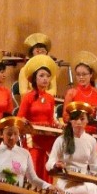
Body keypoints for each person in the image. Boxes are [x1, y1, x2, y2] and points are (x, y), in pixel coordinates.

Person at [46, 102, 97, 194]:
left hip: (84, 180)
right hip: (66, 183)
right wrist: (55, 165)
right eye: (75, 119)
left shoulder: (91, 141)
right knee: (89, 190)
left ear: (87, 120)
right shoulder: (61, 140)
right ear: (70, 121)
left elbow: (93, 167)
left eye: (82, 119)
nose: (78, 122)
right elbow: (49, 163)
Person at [18, 54, 60, 182]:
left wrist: (56, 125)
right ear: (34, 78)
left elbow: (50, 119)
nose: (45, 79)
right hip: (32, 137)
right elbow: (19, 118)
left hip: (46, 137)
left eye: (47, 76)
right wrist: (25, 123)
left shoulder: (50, 98)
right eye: (41, 76)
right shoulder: (28, 97)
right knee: (34, 161)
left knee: (46, 162)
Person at [62, 51, 97, 120]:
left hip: (94, 128)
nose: (81, 77)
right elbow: (65, 116)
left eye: (84, 74)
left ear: (91, 74)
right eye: (78, 74)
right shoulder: (71, 93)